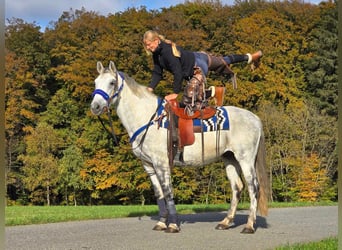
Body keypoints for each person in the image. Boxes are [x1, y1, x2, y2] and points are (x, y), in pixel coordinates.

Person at [143, 30, 263, 102]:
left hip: (198, 67)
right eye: (146, 46)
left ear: (156, 40)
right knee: (225, 60)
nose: (148, 48)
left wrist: (175, 93)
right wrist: (150, 88)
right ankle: (251, 57)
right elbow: (157, 72)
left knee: (191, 98)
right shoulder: (157, 54)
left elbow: (178, 72)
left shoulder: (167, 52)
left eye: (149, 45)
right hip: (200, 56)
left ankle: (214, 92)